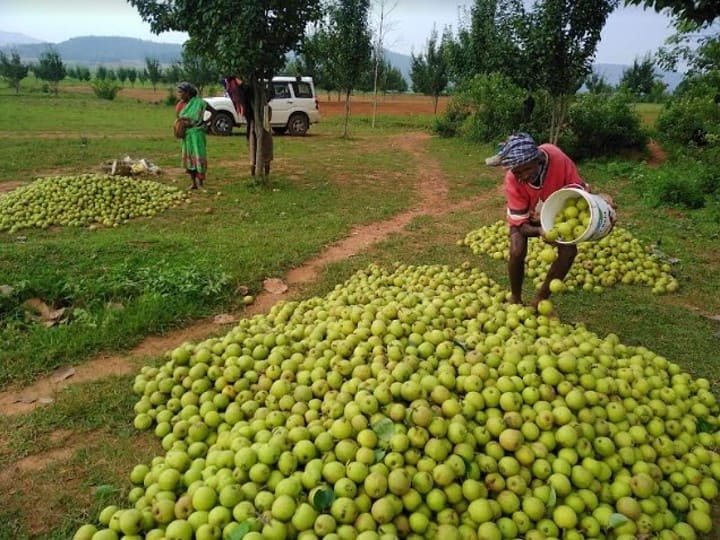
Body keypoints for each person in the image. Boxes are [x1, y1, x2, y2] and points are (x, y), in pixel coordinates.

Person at [485, 132, 614, 308]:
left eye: (527, 169)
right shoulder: (513, 180)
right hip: (527, 215)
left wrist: (601, 201)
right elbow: (520, 223)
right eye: (517, 172)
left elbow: (577, 195)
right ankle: (515, 296)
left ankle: (541, 299)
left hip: (556, 212)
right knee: (516, 250)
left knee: (568, 253)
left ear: (537, 159)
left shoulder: (556, 159)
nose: (522, 176)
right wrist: (539, 230)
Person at [175, 82, 214, 189]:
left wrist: (206, 122)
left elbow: (213, 112)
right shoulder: (180, 105)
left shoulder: (199, 102)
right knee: (189, 159)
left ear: (187, 93)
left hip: (197, 134)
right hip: (187, 136)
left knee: (199, 156)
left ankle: (201, 183)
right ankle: (193, 183)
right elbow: (178, 119)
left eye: (181, 92)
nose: (179, 94)